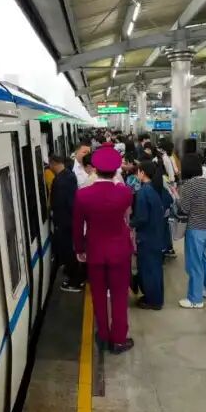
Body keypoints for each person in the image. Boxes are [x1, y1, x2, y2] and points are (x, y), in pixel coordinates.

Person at [73, 146, 135, 353]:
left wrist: (80, 249)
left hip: (95, 251)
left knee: (98, 296)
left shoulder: (82, 195)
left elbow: (77, 226)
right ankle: (119, 340)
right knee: (119, 296)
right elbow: (126, 216)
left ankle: (103, 335)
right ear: (116, 170)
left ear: (95, 169)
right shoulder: (125, 193)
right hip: (120, 252)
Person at [176, 153, 206, 309]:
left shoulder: (188, 185)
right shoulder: (204, 182)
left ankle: (195, 299)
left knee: (194, 265)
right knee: (204, 261)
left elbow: (184, 208)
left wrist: (177, 199)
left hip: (194, 229)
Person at [131, 160, 172, 309]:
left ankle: (153, 300)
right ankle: (155, 297)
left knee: (148, 269)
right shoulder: (154, 189)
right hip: (156, 235)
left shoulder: (143, 192)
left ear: (142, 173)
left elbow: (142, 218)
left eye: (138, 171)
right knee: (155, 269)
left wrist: (130, 224)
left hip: (147, 237)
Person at [49, 153, 83, 292]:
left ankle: (74, 281)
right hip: (70, 220)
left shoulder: (59, 181)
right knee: (69, 251)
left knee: (68, 251)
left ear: (53, 163)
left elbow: (60, 204)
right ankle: (75, 277)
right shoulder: (70, 175)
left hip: (64, 222)